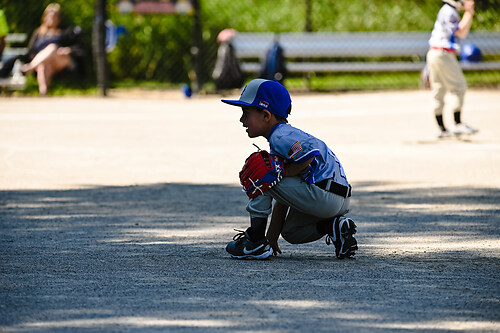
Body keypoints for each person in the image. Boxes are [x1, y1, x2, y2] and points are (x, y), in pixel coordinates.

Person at [221, 79, 358, 260]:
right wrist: (272, 238)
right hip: (336, 198)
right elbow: (284, 195)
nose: (241, 119)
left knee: (261, 169)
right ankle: (334, 226)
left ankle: (255, 241)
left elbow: (309, 154)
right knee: (292, 232)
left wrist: (285, 171)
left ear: (266, 115)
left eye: (246, 113)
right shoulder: (286, 134)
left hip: (323, 194)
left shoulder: (280, 135)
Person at [427, 0, 478, 138]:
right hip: (444, 54)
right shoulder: (450, 11)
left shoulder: (446, 10)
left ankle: (442, 128)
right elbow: (460, 33)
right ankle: (457, 123)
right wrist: (469, 12)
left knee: (439, 89)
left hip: (435, 52)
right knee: (459, 87)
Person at [21, 3, 79, 95]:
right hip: (44, 62)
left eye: (55, 16)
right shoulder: (38, 33)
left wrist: (68, 50)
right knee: (43, 66)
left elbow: (77, 47)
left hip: (61, 60)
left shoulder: (64, 31)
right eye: (50, 15)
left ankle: (30, 67)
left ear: (59, 18)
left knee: (52, 47)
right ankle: (43, 93)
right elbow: (31, 50)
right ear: (45, 17)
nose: (52, 18)